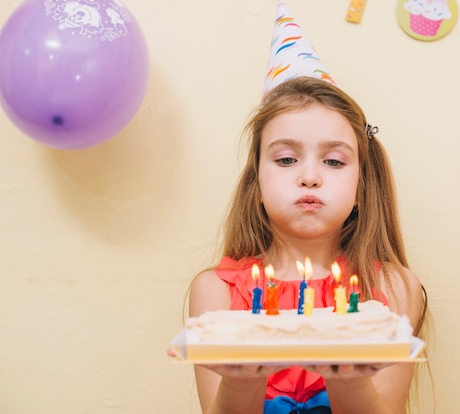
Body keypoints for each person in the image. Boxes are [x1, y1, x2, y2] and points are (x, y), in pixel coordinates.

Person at [176, 76, 428, 414]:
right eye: (285, 159)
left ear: (361, 185)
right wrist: (243, 379)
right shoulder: (215, 291)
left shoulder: (393, 288)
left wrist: (349, 379)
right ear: (257, 181)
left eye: (334, 161)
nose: (309, 177)